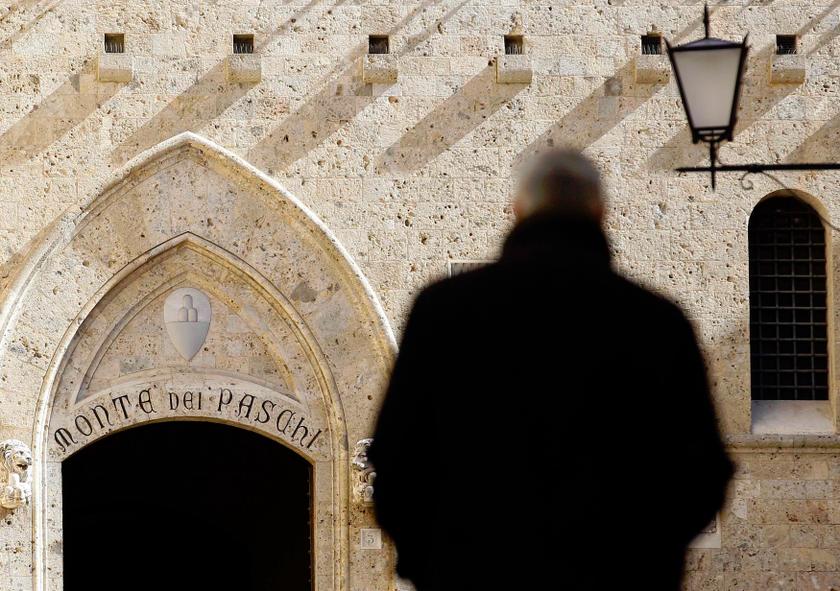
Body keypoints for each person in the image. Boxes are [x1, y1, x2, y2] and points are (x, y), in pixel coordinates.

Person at [368, 149, 734, 591]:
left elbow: (396, 461)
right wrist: (650, 560)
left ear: (517, 210)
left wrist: (431, 565)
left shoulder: (443, 312)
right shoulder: (656, 323)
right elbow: (701, 472)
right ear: (601, 212)